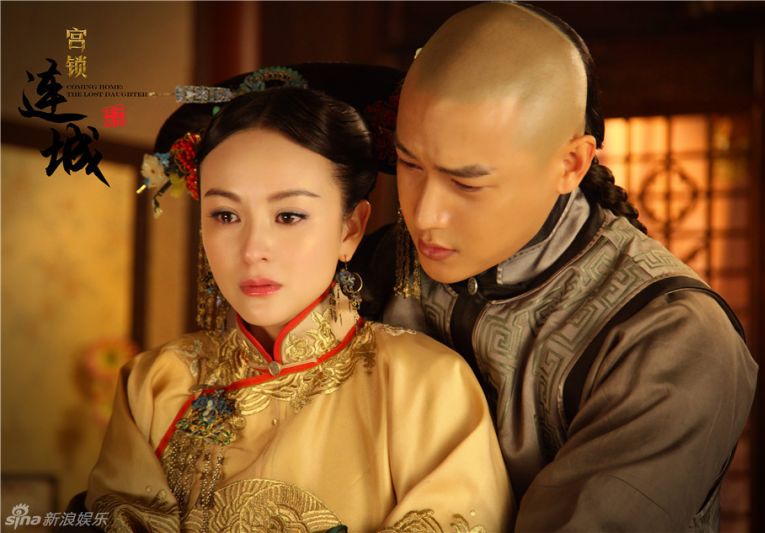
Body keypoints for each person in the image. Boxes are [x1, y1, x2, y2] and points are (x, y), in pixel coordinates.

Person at [353, 3, 758, 532]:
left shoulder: (670, 338)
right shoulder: (377, 265)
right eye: (409, 164)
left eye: (466, 183)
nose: (425, 214)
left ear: (571, 164)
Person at [84, 73, 513, 532]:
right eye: (225, 215)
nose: (253, 249)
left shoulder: (427, 385)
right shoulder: (155, 385)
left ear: (350, 228)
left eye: (289, 216)